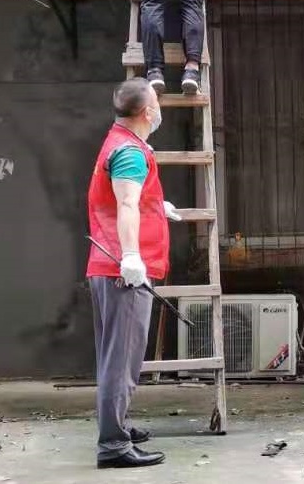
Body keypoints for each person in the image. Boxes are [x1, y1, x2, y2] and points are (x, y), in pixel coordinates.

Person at [86, 78, 168, 469]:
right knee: (122, 362)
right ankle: (114, 446)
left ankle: (118, 425)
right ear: (147, 112)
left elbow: (122, 198)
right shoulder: (130, 152)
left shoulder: (119, 142)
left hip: (108, 266)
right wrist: (132, 256)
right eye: (156, 102)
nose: (159, 107)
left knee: (115, 357)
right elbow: (125, 204)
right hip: (124, 272)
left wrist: (158, 206)